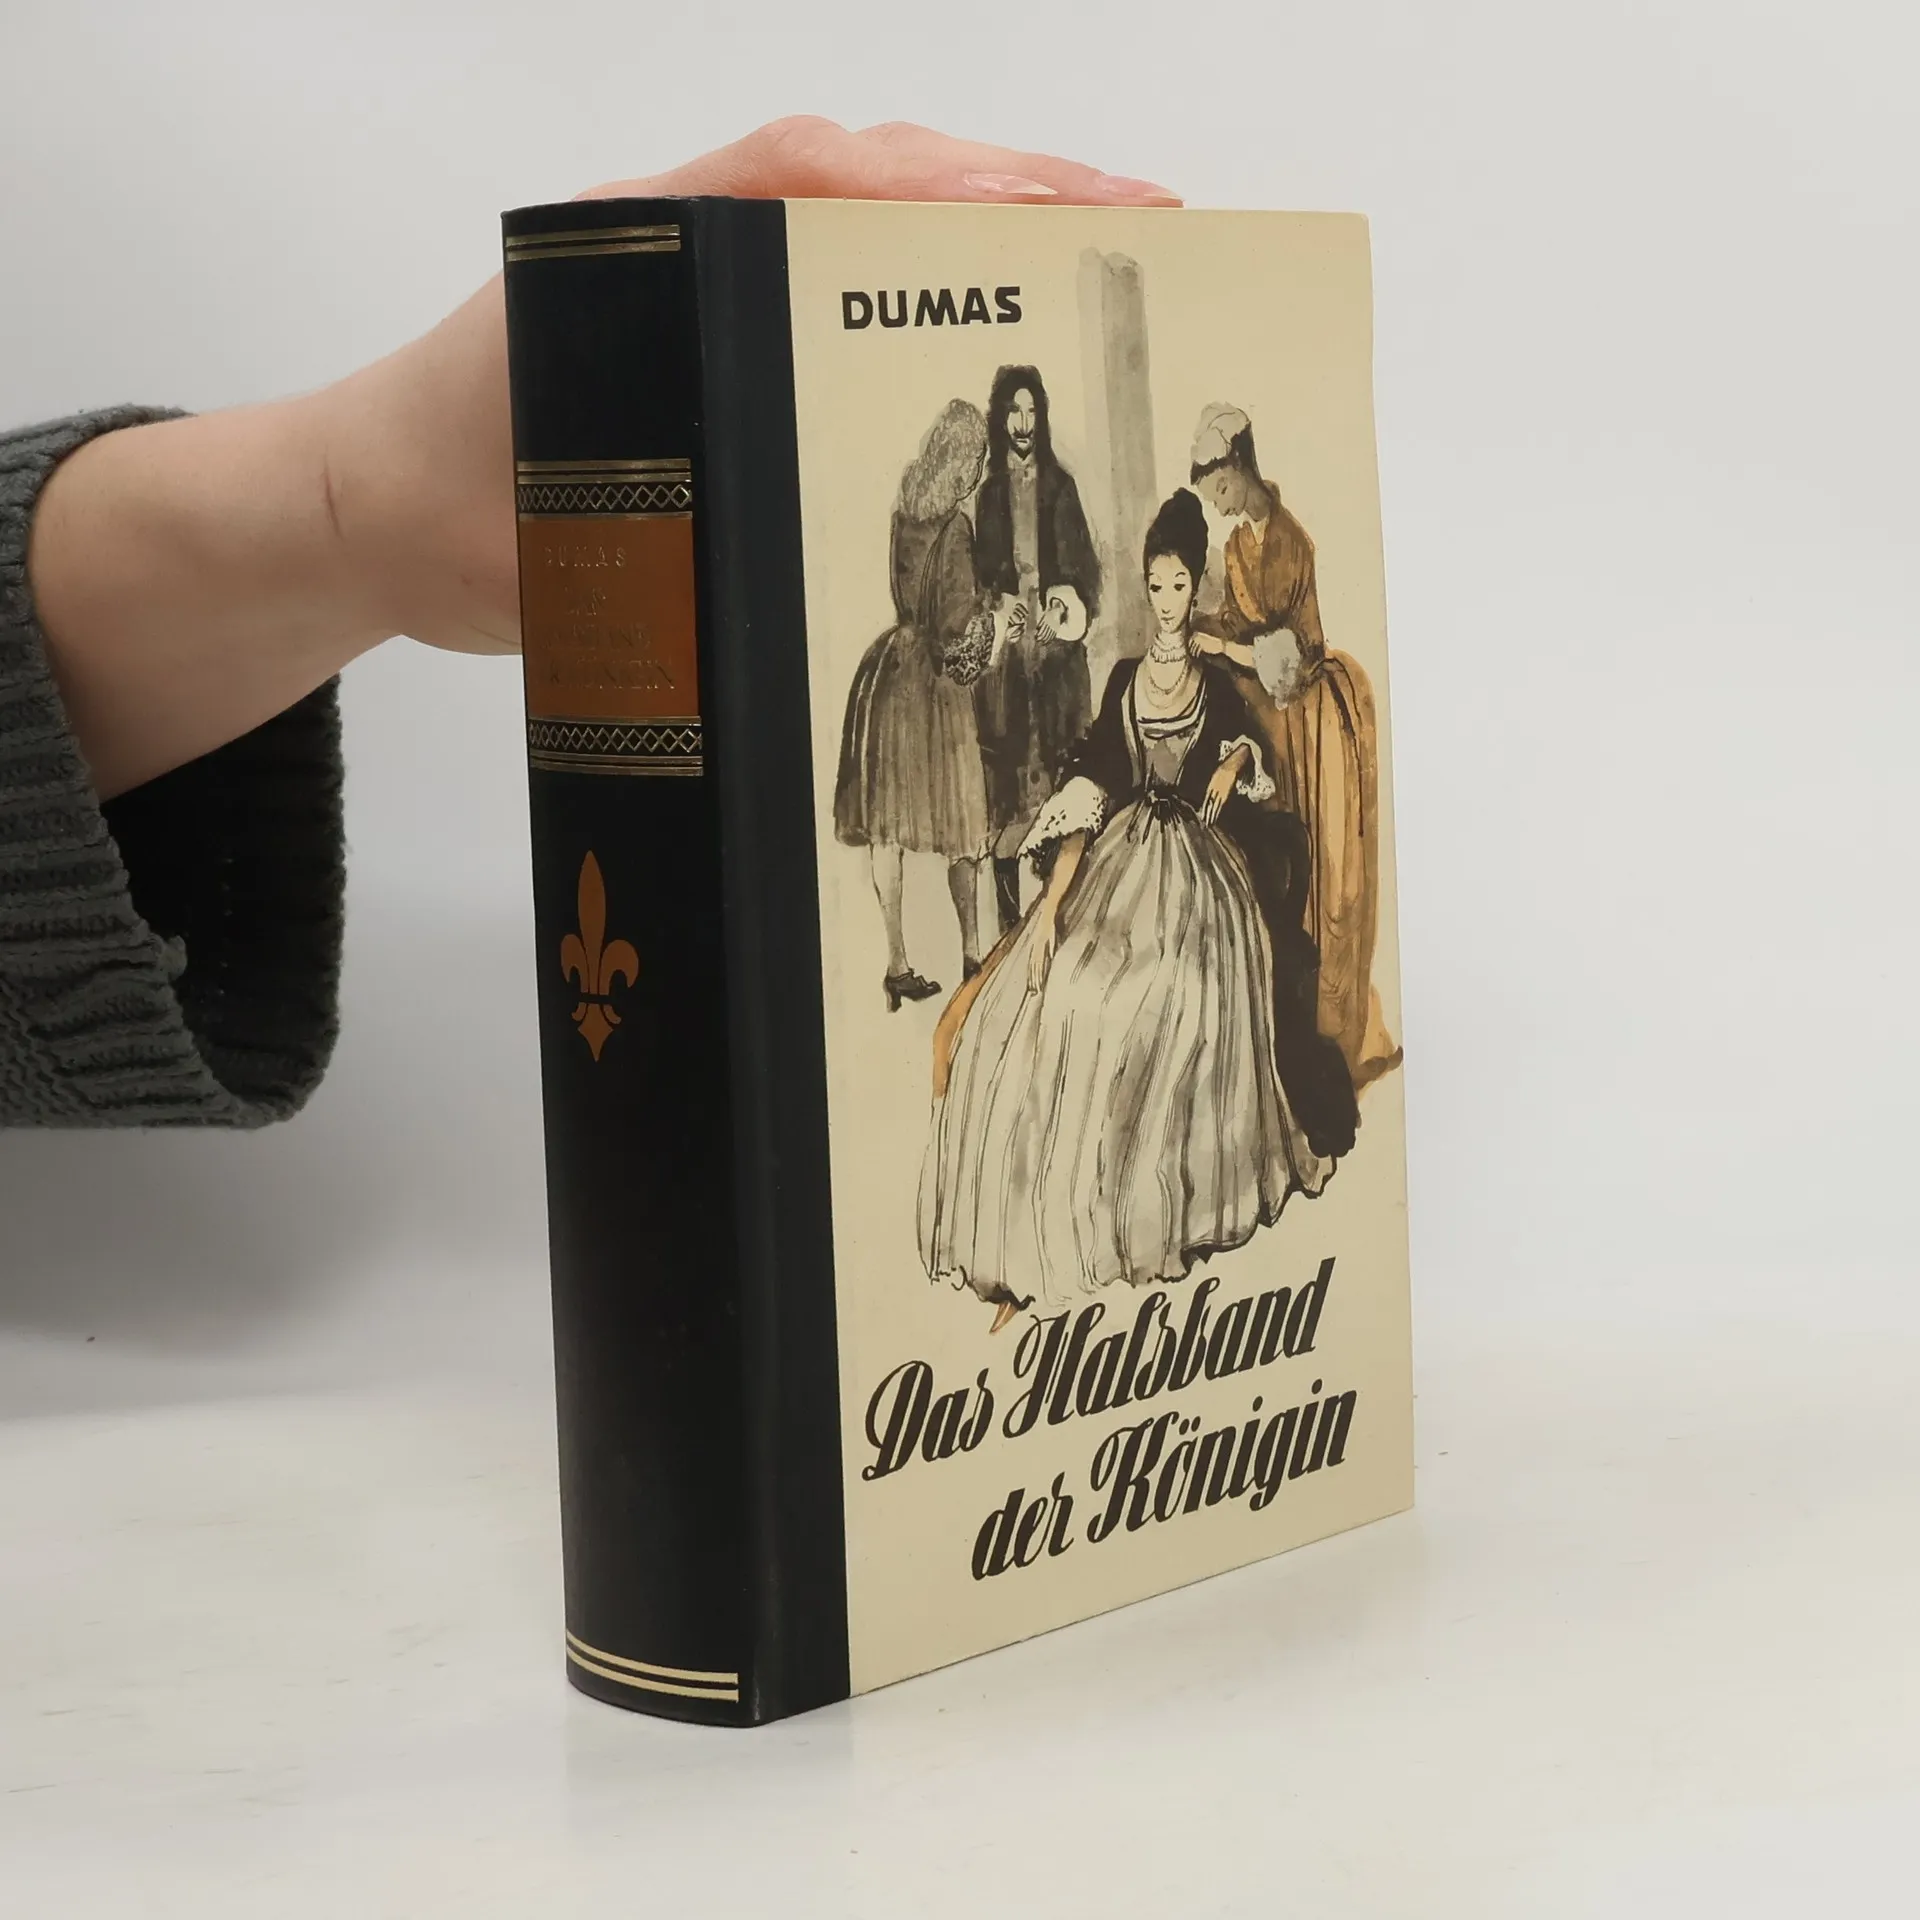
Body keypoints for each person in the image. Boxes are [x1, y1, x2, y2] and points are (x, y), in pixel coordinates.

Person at [0, 120, 1177, 1127]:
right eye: (999, 430)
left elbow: (1031, 571)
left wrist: (355, 507)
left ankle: (950, 958)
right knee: (935, 835)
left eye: (1020, 427)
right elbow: (947, 615)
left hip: (947, 680)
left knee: (938, 834)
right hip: (934, 686)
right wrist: (351, 504)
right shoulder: (950, 515)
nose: (1011, 441)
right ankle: (946, 961)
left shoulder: (987, 502)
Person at [920, 490, 1329, 1333]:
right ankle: (1051, 1223)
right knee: (1060, 993)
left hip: (1200, 879)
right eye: (1155, 586)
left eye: (1179, 586)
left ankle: (1151, 1209)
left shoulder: (1214, 684)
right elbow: (1092, 790)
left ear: (1195, 585)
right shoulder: (1124, 680)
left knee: (1171, 994)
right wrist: (1048, 913)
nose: (1167, 602)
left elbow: (1248, 750)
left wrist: (1234, 760)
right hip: (1122, 858)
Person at [1188, 403, 1402, 1093]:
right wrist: (1196, 624)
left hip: (1307, 714)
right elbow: (1234, 621)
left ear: (1240, 469)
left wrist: (1226, 647)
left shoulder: (1291, 540)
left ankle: (1326, 1041)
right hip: (1265, 715)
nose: (1219, 504)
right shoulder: (1233, 547)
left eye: (1221, 487)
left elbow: (1292, 652)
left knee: (1322, 869)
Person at [833, 399, 995, 1007]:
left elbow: (904, 593)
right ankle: (973, 954)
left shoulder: (904, 513)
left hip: (889, 674)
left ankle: (897, 961)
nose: (976, 473)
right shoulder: (956, 527)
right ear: (960, 461)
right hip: (934, 684)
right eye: (974, 461)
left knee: (888, 827)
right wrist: (990, 619)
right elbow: (955, 622)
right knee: (963, 823)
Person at [968, 365, 1101, 936]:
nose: (1023, 424)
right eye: (1013, 412)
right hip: (1007, 667)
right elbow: (980, 578)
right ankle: (1009, 928)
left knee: (1061, 782)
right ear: (1000, 419)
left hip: (1056, 667)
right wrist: (1002, 603)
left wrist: (1058, 608)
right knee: (1006, 793)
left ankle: (1060, 917)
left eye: (1031, 412)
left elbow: (1086, 575)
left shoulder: (1061, 488)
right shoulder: (989, 495)